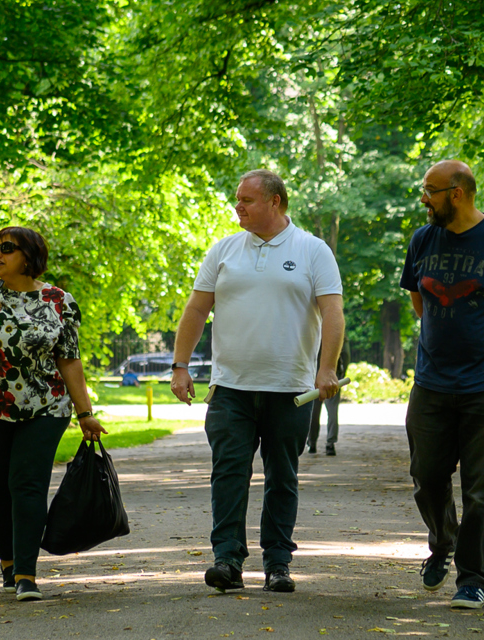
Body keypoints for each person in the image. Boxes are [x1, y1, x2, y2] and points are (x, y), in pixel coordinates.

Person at [170, 169, 344, 594]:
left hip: (290, 390)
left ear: (275, 202)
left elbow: (333, 313)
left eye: (247, 200)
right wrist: (180, 365)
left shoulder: (312, 250)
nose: (238, 207)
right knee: (228, 471)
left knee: (282, 475)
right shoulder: (224, 250)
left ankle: (278, 562)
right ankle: (227, 559)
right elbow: (196, 310)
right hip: (231, 388)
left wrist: (326, 368)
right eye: (237, 199)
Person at [398, 161, 484, 610]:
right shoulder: (422, 240)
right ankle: (443, 543)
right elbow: (418, 297)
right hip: (432, 383)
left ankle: (474, 579)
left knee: (481, 488)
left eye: (431, 191)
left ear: (456, 193)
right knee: (427, 476)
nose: (424, 198)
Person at [0, 226, 107, 602]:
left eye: (7, 248)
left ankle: (26, 574)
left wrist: (85, 413)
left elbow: (69, 361)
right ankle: (7, 558)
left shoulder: (58, 301)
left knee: (27, 484)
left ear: (29, 256)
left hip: (45, 407)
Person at [306, 350, 349, 456]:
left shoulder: (313, 333)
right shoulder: (337, 334)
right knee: (332, 411)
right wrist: (342, 373)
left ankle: (312, 442)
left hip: (314, 375)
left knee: (314, 411)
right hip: (333, 375)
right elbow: (346, 354)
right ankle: (330, 443)